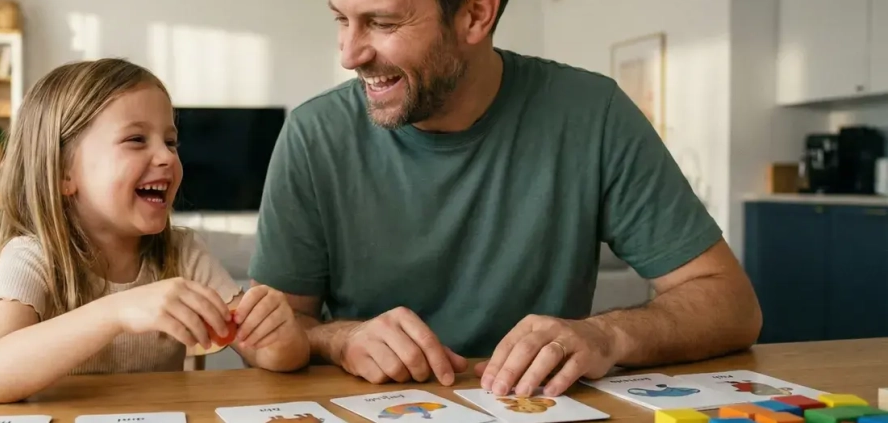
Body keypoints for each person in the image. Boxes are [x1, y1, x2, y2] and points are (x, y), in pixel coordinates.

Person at [248, 0, 763, 398]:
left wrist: (607, 335)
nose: (349, 53)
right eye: (342, 18)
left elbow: (732, 306)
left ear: (475, 14)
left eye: (382, 23)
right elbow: (264, 337)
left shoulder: (592, 114)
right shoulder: (312, 135)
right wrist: (340, 340)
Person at [0, 58, 311, 404]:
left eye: (171, 142)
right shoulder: (31, 256)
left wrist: (282, 337)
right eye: (136, 139)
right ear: (63, 173)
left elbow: (273, 356)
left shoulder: (183, 252)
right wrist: (118, 312)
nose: (166, 157)